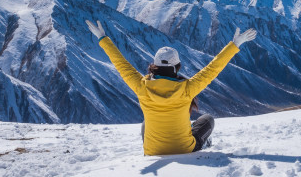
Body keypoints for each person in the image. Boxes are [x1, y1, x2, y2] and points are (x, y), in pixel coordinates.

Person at [85, 20, 258, 156]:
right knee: (207, 120)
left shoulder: (141, 87)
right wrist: (235, 44)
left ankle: (157, 145)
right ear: (177, 67)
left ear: (155, 66)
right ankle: (204, 144)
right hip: (185, 149)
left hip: (152, 151)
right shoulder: (187, 88)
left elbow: (121, 63)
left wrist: (102, 38)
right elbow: (213, 69)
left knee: (146, 123)